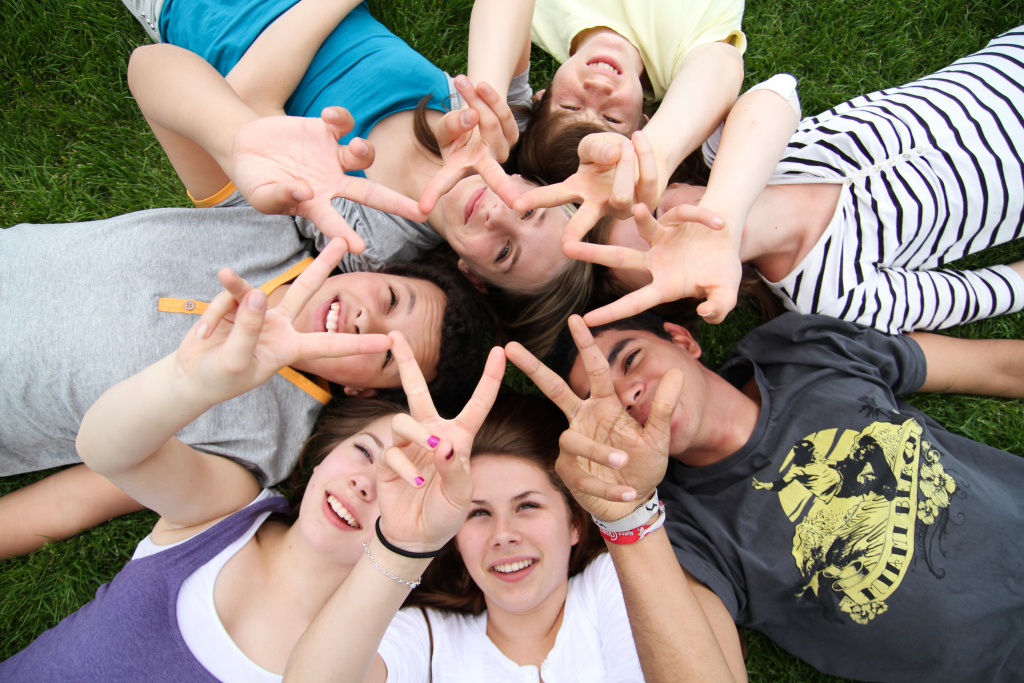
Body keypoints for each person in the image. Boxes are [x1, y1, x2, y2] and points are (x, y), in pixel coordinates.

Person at [0, 263, 508, 680]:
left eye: (409, 487)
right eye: (365, 452)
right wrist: (188, 384)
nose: (365, 483)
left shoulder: (385, 649)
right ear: (327, 451)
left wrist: (404, 548)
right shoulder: (229, 511)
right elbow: (110, 453)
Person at [506, 311, 1024, 681]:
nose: (626, 393)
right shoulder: (683, 535)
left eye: (630, 360)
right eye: (604, 405)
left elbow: (997, 367)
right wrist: (627, 513)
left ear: (683, 340)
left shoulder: (796, 352)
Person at [0, 231, 489, 558]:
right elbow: (158, 79)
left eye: (383, 352)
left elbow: (73, 503)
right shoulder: (267, 226)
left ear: (360, 391)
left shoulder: (263, 445)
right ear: (374, 270)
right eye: (389, 298)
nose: (367, 320)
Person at [564, 26, 1024, 333]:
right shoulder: (828, 299)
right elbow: (983, 293)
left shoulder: (737, 155)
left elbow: (776, 91)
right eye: (668, 251)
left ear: (678, 184)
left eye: (662, 212)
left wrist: (725, 206)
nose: (689, 231)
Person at [123, 0, 586, 294]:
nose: (498, 214)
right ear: (534, 182)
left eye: (504, 252)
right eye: (529, 210)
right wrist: (483, 90)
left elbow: (244, 93)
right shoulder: (503, 128)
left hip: (186, 9)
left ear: (472, 275)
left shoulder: (371, 240)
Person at [285, 392, 741, 681]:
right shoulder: (425, 641)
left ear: (575, 523)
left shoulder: (616, 588)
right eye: (477, 513)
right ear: (455, 538)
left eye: (528, 506)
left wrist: (628, 516)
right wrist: (403, 544)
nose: (503, 535)